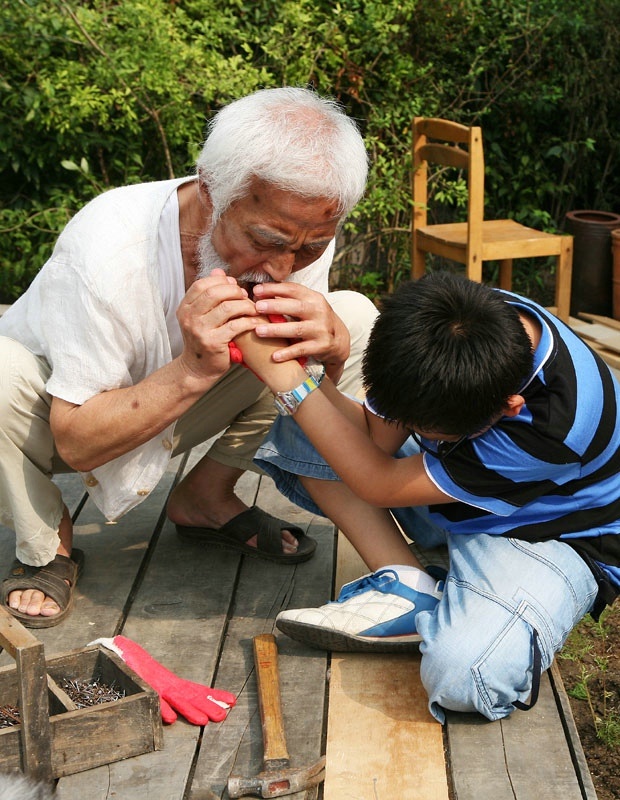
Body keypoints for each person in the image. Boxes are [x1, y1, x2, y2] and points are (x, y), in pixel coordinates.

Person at [0, 86, 378, 627]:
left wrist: (334, 355)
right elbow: (77, 444)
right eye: (267, 240)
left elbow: (301, 374)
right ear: (210, 189)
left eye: (311, 246)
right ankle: (46, 544)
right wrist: (191, 370)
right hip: (51, 426)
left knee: (354, 319)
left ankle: (206, 495)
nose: (283, 266)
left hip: (182, 407)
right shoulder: (108, 245)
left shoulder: (297, 231)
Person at [232, 270, 620, 723]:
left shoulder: (555, 422)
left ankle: (488, 605)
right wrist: (302, 377)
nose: (414, 431)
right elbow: (376, 442)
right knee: (313, 426)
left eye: (427, 430)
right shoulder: (453, 322)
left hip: (550, 531)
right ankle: (410, 583)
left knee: (465, 675)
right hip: (465, 490)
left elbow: (376, 480)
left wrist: (290, 383)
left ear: (507, 408)